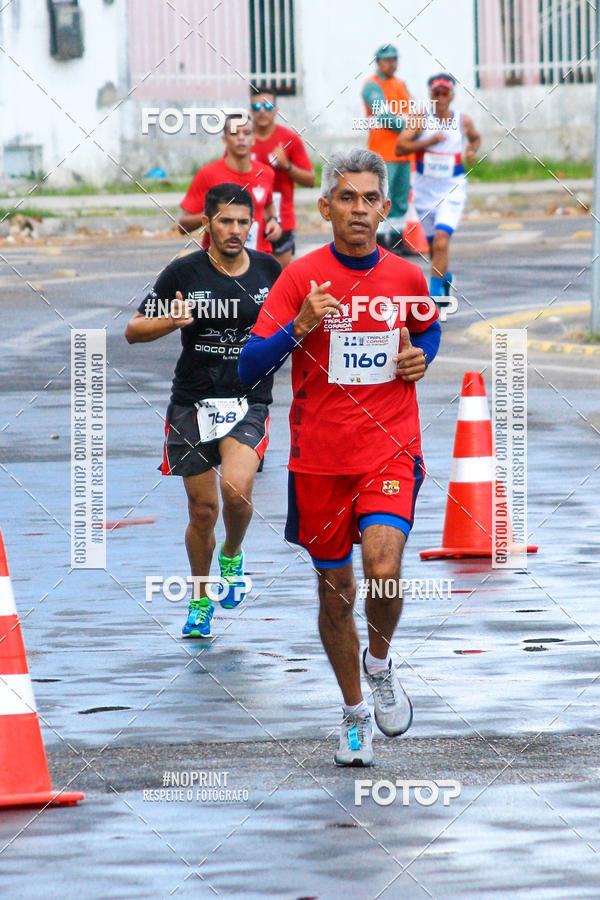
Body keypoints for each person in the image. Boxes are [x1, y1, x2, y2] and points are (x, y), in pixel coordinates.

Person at [239, 150, 441, 766]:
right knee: (336, 595)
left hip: (389, 447)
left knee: (383, 566)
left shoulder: (407, 276)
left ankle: (378, 663)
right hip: (320, 460)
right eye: (347, 199)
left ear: (385, 206)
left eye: (370, 199)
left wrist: (422, 357)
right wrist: (298, 325)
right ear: (325, 207)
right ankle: (354, 712)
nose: (359, 210)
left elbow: (427, 327)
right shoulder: (299, 277)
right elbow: (251, 367)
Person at [126, 184, 281, 638]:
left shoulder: (270, 271)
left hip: (248, 401)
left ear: (252, 224)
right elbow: (134, 331)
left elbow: (297, 324)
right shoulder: (183, 272)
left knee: (236, 491)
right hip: (192, 402)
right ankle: (199, 600)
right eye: (225, 221)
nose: (234, 230)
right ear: (207, 225)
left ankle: (232, 554)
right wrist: (170, 321)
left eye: (242, 222)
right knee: (202, 510)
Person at [394, 73, 481, 299]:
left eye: (445, 93)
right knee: (435, 248)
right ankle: (444, 278)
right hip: (425, 192)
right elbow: (400, 147)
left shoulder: (463, 120)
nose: (440, 98)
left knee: (442, 241)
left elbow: (475, 137)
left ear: (452, 95)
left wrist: (471, 150)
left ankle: (434, 298)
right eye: (436, 93)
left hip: (452, 188)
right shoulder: (420, 118)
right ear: (430, 95)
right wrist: (428, 142)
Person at [178, 116, 282, 254]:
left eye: (246, 133)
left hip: (258, 258)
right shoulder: (207, 173)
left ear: (253, 138)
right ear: (224, 139)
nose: (241, 138)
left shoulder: (266, 173)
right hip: (219, 262)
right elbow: (183, 225)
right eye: (234, 133)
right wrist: (215, 213)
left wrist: (274, 222)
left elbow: (268, 207)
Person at [251, 88, 316, 269]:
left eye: (268, 105)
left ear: (276, 109)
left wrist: (286, 165)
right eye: (257, 106)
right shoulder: (242, 141)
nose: (262, 110)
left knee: (277, 277)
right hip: (248, 221)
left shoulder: (289, 139)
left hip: (282, 219)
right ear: (250, 111)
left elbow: (310, 180)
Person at [361, 44, 414, 252]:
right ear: (378, 62)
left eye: (395, 59)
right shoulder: (372, 86)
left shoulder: (400, 84)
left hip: (403, 151)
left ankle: (399, 240)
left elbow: (412, 110)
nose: (392, 63)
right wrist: (410, 127)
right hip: (383, 152)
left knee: (400, 199)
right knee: (384, 197)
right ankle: (381, 243)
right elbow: (384, 116)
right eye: (388, 60)